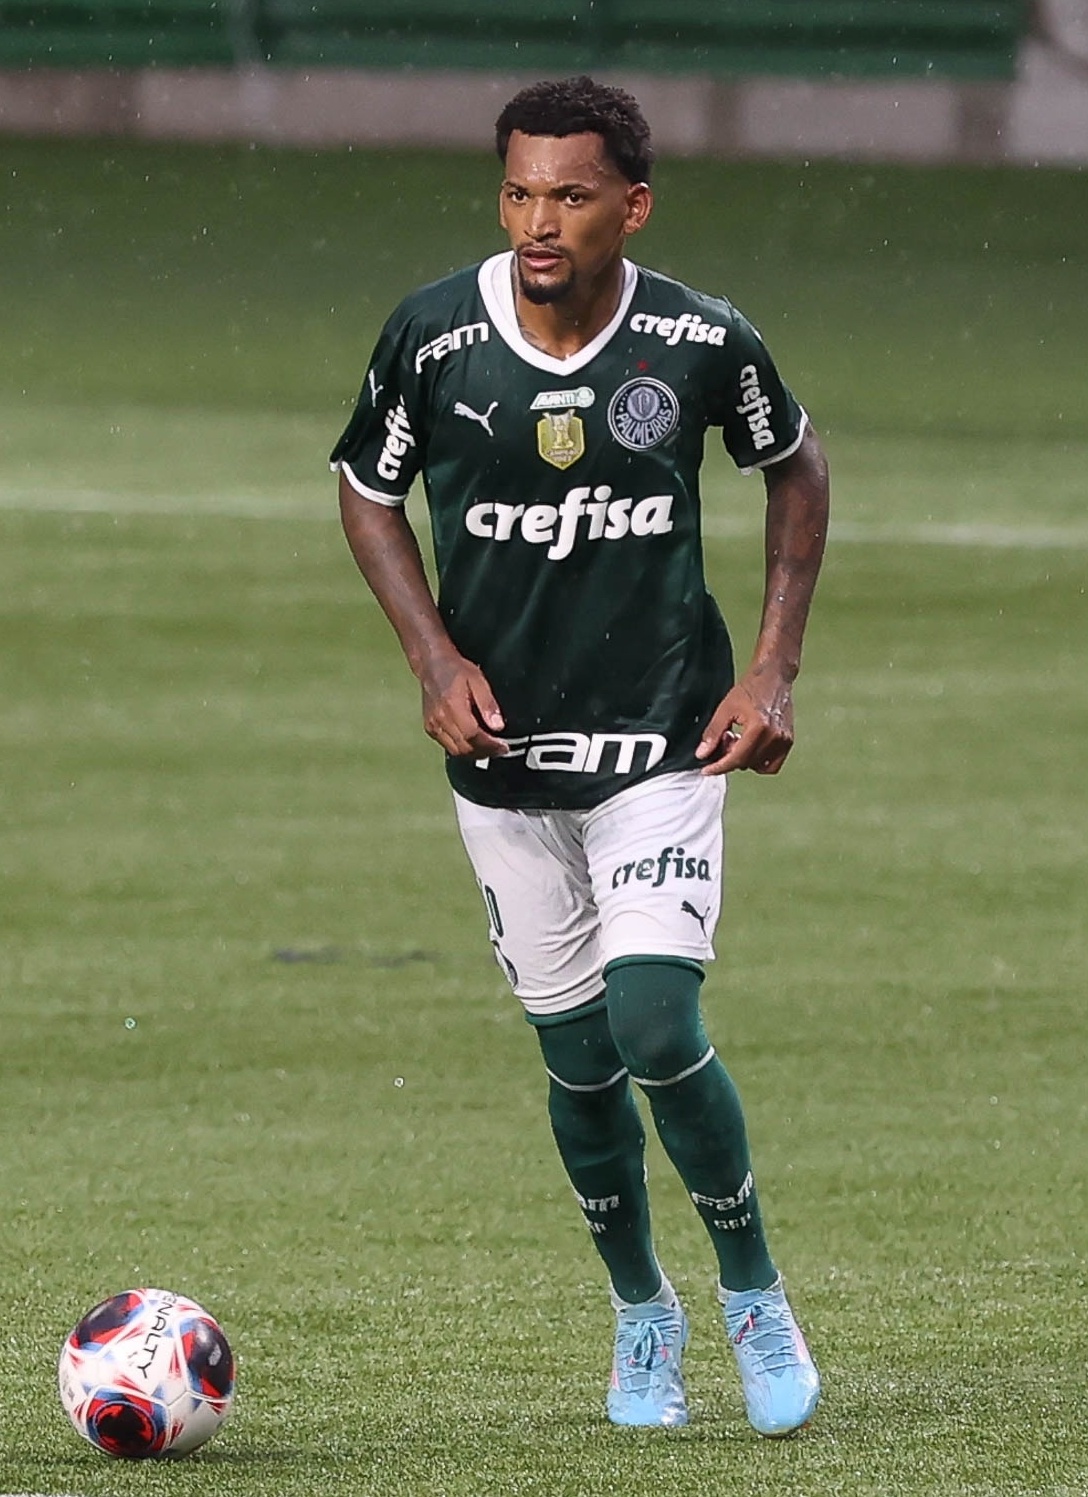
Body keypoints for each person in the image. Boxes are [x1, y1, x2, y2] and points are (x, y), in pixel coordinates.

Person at [332, 75, 829, 1435]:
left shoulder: (696, 337)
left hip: (663, 737)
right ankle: (638, 1309)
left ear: (631, 203)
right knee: (577, 1062)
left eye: (568, 193)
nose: (537, 220)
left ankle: (750, 1291)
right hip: (503, 767)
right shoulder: (434, 339)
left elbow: (794, 464)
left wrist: (772, 666)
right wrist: (433, 659)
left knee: (655, 1021)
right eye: (518, 191)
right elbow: (367, 492)